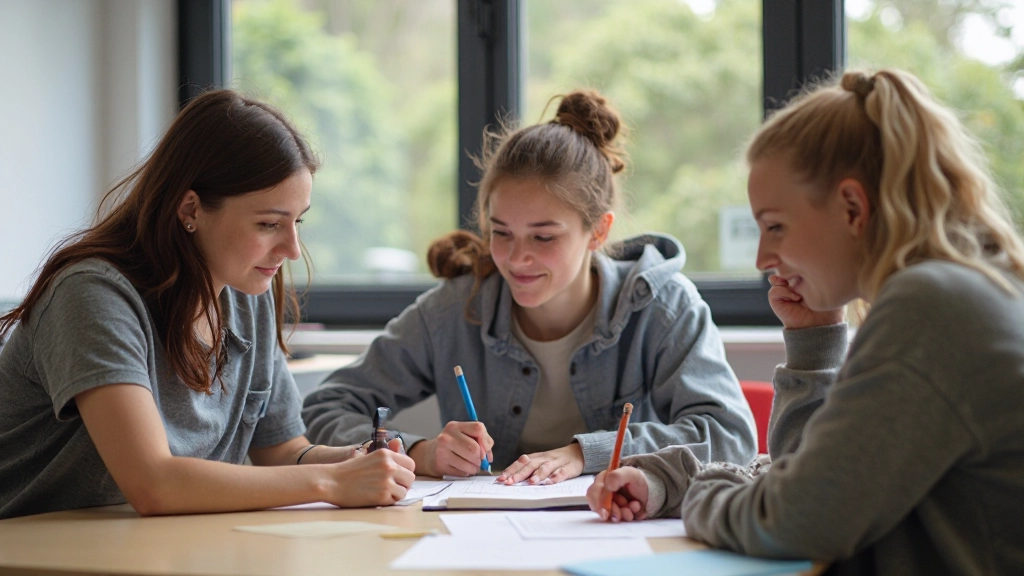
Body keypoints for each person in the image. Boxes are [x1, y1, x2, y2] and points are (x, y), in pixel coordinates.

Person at [586, 68, 1024, 574]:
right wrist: (814, 341)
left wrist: (702, 491)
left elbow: (794, 520)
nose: (761, 257)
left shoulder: (931, 307)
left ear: (852, 208)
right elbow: (819, 482)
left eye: (775, 226)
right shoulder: (974, 288)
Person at [302, 90, 757, 484]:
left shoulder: (665, 308)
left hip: (619, 531)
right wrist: (418, 453)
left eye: (544, 236)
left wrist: (586, 454)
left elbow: (730, 436)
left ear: (598, 232)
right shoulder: (452, 312)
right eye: (501, 233)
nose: (517, 258)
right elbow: (325, 407)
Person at [0, 90, 414, 520]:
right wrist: (331, 482)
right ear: (190, 209)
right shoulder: (92, 295)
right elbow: (153, 484)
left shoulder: (244, 291)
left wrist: (361, 461)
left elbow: (282, 451)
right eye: (269, 223)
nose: (292, 249)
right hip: (28, 550)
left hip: (141, 548)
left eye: (298, 220)